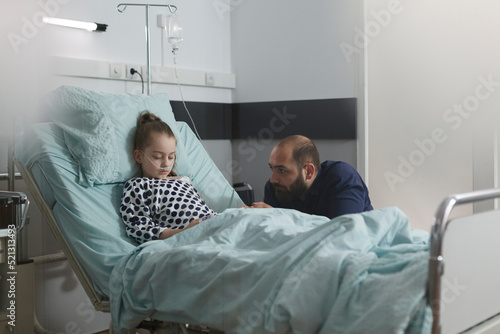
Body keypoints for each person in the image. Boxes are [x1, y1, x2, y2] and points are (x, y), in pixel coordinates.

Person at [120, 111, 216, 244]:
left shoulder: (184, 181)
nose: (166, 163)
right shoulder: (138, 186)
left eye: (171, 156)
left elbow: (205, 211)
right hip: (191, 238)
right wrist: (184, 232)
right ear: (138, 156)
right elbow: (139, 229)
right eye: (158, 157)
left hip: (214, 225)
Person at [251, 135, 372, 219]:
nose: (273, 179)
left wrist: (279, 217)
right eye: (272, 169)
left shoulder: (342, 178)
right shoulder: (275, 188)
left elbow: (343, 235)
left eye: (282, 170)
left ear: (308, 171)